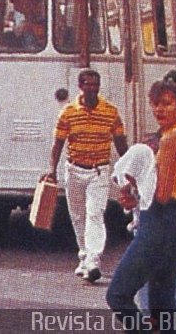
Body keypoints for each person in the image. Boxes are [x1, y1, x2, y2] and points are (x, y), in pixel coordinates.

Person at [107, 79, 176, 333]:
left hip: (158, 223)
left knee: (118, 295)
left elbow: (162, 195)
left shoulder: (170, 141)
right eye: (155, 104)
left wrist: (137, 191)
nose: (159, 110)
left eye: (167, 104)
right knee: (164, 305)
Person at [43, 69, 128, 283]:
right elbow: (58, 145)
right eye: (88, 84)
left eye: (95, 85)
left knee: (94, 214)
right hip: (74, 170)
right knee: (78, 215)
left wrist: (128, 168)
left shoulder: (110, 112)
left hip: (99, 170)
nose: (92, 89)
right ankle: (84, 255)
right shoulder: (68, 113)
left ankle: (93, 260)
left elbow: (120, 143)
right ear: (80, 86)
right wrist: (51, 170)